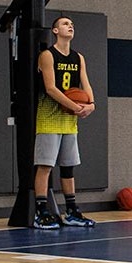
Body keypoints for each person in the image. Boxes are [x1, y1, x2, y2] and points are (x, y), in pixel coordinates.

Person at [32, 15, 97, 229]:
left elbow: (85, 85)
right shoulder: (47, 55)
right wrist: (73, 105)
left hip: (69, 120)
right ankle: (41, 212)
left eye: (72, 24)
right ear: (55, 30)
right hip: (49, 118)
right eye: (65, 24)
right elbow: (50, 88)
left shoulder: (79, 57)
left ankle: (71, 211)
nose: (70, 26)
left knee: (68, 168)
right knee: (45, 166)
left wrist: (91, 104)